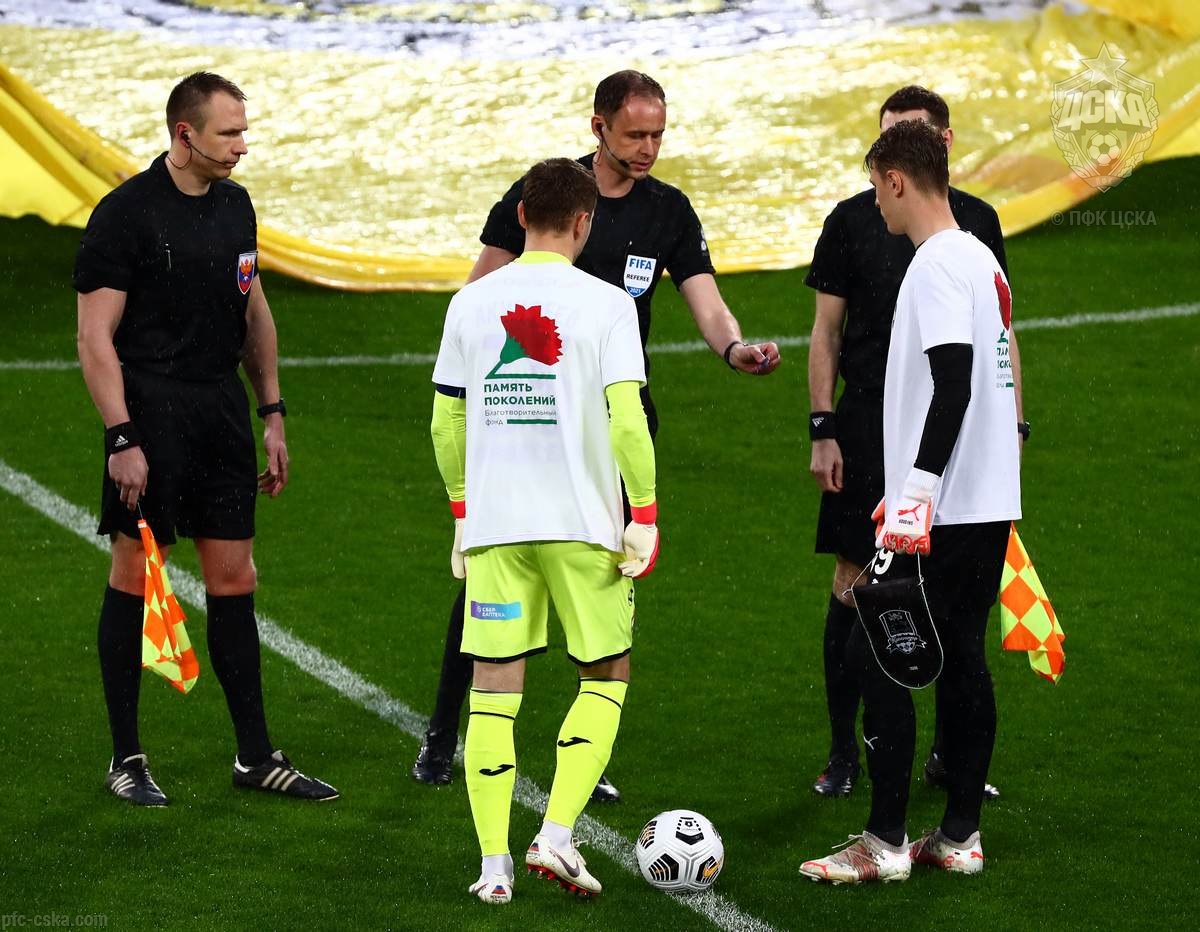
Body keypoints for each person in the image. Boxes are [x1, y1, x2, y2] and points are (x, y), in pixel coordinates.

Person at [412, 69, 781, 798]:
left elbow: (707, 301)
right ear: (599, 127)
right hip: (526, 425)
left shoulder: (667, 210)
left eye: (658, 135)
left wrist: (734, 348)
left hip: (607, 429)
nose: (648, 148)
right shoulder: (548, 196)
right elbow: (480, 294)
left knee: (601, 589)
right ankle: (443, 730)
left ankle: (585, 754)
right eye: (635, 134)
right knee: (490, 578)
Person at [74, 71, 336, 806]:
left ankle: (255, 756)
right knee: (136, 574)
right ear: (184, 134)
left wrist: (271, 410)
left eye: (244, 131)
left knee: (235, 579)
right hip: (149, 411)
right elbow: (94, 337)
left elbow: (253, 309)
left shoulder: (236, 206)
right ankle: (127, 758)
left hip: (220, 411)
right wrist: (121, 437)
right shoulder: (125, 214)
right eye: (230, 133)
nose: (242, 146)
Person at [430, 158, 658, 903]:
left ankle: (493, 868)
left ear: (522, 215)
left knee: (493, 688)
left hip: (498, 527)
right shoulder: (609, 305)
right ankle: (556, 836)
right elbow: (628, 422)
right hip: (585, 526)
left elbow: (445, 424)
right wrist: (644, 515)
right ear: (585, 223)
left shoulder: (471, 303)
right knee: (605, 673)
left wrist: (463, 515)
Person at [800, 119, 1021, 884]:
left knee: (873, 651)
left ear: (896, 179)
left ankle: (885, 842)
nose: (876, 204)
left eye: (877, 188)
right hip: (985, 500)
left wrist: (915, 497)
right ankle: (958, 836)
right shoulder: (981, 259)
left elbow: (953, 385)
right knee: (961, 656)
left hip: (944, 509)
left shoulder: (935, 264)